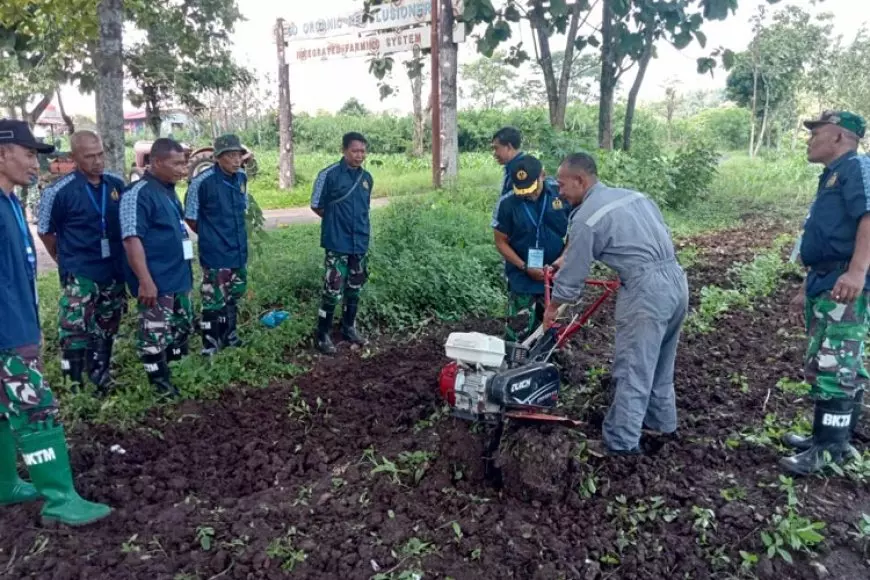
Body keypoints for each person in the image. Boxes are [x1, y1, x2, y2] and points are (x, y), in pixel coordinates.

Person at [0, 119, 111, 525]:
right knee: (37, 409)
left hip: (18, 324)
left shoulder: (10, 201)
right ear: (1, 154)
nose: (36, 164)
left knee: (2, 410)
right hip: (6, 332)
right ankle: (60, 500)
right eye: (29, 155)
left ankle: (5, 483)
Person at [544, 152, 689, 456]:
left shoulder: (585, 218)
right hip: (676, 280)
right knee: (661, 361)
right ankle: (661, 424)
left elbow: (572, 277)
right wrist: (565, 257)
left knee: (633, 368)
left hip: (646, 291)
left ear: (580, 180)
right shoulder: (633, 196)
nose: (559, 192)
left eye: (562, 185)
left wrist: (552, 308)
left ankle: (621, 445)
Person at [780, 111, 869, 475]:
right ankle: (831, 437)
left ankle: (830, 449)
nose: (809, 139)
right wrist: (805, 288)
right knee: (826, 359)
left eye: (816, 133)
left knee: (837, 362)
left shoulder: (856, 168)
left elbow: (869, 217)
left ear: (838, 138)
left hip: (843, 284)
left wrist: (857, 271)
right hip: (824, 280)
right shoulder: (831, 176)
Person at [37, 131, 127, 395]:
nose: (98, 161)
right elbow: (45, 231)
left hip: (112, 270)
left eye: (101, 154)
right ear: (74, 157)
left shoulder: (116, 185)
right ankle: (73, 384)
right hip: (80, 270)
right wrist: (63, 259)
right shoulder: (59, 191)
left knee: (108, 323)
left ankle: (100, 377)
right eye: (90, 156)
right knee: (75, 327)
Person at [120, 138, 194, 397]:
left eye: (183, 163)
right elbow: (131, 239)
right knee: (153, 332)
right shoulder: (137, 193)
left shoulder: (169, 190)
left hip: (178, 276)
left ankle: (176, 372)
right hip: (156, 278)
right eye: (176, 163)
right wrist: (145, 280)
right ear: (156, 162)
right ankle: (159, 385)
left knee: (179, 327)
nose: (182, 169)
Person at [493, 154, 571, 342]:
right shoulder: (507, 203)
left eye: (531, 188)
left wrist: (563, 259)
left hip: (556, 273)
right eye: (522, 190)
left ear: (542, 175)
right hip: (522, 275)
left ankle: (551, 362)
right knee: (519, 328)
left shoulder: (563, 194)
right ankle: (516, 365)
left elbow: (578, 231)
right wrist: (524, 266)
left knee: (554, 328)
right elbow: (500, 241)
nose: (528, 193)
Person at [184, 134, 249, 356]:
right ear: (218, 157)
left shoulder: (241, 177)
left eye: (238, 155)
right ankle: (210, 344)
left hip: (238, 249)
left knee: (234, 294)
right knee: (213, 299)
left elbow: (243, 208)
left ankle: (229, 336)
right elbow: (191, 218)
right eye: (230, 155)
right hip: (216, 251)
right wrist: (212, 236)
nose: (236, 160)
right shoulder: (201, 182)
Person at [310, 132, 374, 355]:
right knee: (332, 289)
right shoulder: (328, 175)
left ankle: (348, 328)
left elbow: (365, 210)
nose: (360, 155)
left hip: (360, 242)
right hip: (337, 242)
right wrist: (335, 222)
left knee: (354, 287)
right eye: (355, 151)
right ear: (344, 150)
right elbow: (316, 205)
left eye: (363, 151)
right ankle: (323, 334)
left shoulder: (367, 178)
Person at [490, 126, 526, 226]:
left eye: (496, 148)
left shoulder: (521, 170)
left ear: (509, 147)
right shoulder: (512, 167)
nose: (494, 153)